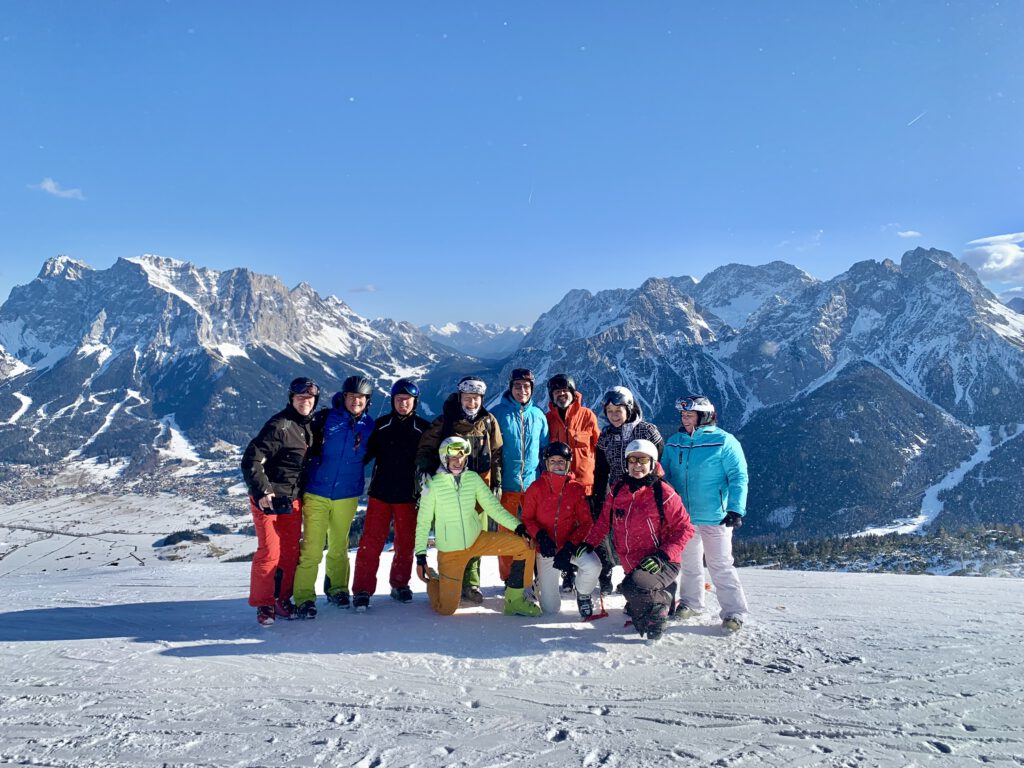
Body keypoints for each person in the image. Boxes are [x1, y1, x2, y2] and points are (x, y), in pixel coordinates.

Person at [575, 439, 694, 642]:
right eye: (632, 460)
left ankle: (659, 610)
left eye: (643, 460)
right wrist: (589, 542)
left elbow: (685, 529)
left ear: (652, 463)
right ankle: (661, 593)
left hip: (662, 562)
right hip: (632, 563)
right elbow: (604, 521)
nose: (637, 465)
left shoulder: (663, 492)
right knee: (632, 589)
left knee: (633, 589)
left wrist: (662, 556)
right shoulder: (618, 489)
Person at [414, 436, 542, 617]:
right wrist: (420, 556)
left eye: (462, 457)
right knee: (447, 609)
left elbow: (493, 508)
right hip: (451, 552)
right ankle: (435, 581)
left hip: (477, 539)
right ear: (444, 458)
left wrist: (519, 528)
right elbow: (423, 522)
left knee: (524, 545)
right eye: (453, 457)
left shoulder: (472, 479)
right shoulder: (432, 486)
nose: (458, 462)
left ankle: (515, 600)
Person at [661, 395, 750, 632]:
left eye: (690, 415)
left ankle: (734, 612)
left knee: (720, 565)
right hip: (683, 518)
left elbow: (739, 477)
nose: (685, 419)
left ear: (704, 416)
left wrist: (735, 509)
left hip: (716, 516)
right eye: (683, 415)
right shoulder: (674, 443)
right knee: (689, 564)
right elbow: (663, 476)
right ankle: (690, 603)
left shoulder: (724, 442)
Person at [415, 375, 503, 604]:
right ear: (460, 398)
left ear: (481, 399)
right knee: (449, 537)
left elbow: (496, 454)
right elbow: (426, 447)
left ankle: (471, 584)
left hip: (479, 487)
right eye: (467, 398)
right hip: (451, 489)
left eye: (476, 398)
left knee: (476, 537)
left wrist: (497, 483)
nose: (472, 403)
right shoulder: (446, 421)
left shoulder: (489, 421)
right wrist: (425, 470)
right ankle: (448, 578)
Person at [293, 375, 376, 618]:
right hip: (317, 491)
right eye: (352, 397)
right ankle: (304, 598)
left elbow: (372, 453)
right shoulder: (325, 418)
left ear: (367, 401)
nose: (356, 401)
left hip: (347, 494)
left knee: (339, 547)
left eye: (361, 398)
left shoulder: (369, 426)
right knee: (312, 549)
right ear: (344, 397)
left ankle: (338, 589)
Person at [240, 377, 317, 626]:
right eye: (300, 398)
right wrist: (263, 490)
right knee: (270, 552)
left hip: (292, 501)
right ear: (291, 399)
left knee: (290, 553)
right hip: (269, 500)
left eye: (309, 398)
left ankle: (281, 599)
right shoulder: (280, 425)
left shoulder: (309, 426)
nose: (305, 401)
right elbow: (251, 459)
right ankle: (264, 604)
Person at [350, 378, 430, 611]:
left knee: (405, 544)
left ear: (415, 402)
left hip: (409, 496)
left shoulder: (423, 429)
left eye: (407, 400)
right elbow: (364, 456)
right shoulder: (381, 425)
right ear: (393, 401)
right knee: (370, 544)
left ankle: (400, 584)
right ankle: (362, 589)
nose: (403, 404)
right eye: (398, 399)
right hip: (380, 494)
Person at [592, 386, 665, 594]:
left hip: (647, 495)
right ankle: (632, 583)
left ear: (629, 408)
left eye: (618, 410)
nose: (614, 416)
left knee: (646, 539)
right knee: (625, 541)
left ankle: (650, 585)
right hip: (621, 494)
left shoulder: (647, 430)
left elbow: (660, 463)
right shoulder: (605, 437)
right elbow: (601, 471)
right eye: (610, 411)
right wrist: (599, 498)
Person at [521, 442, 598, 617]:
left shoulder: (575, 489)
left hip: (569, 546)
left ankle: (583, 593)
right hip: (546, 549)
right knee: (551, 609)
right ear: (546, 463)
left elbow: (586, 522)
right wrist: (540, 536)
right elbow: (527, 518)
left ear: (568, 463)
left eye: (561, 461)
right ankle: (540, 583)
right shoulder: (536, 488)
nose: (557, 465)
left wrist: (570, 546)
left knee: (593, 565)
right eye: (553, 461)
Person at [491, 368, 548, 582]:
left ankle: (531, 576)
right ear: (510, 388)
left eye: (526, 386)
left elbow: (544, 449)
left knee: (534, 532)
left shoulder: (538, 416)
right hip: (507, 485)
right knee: (506, 533)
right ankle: (509, 578)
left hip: (532, 486)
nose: (521, 390)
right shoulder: (498, 413)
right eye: (517, 386)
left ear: (532, 389)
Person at [544, 373, 600, 592]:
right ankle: (568, 573)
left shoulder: (587, 416)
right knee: (564, 530)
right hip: (560, 487)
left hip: (585, 485)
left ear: (573, 392)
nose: (561, 394)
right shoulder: (547, 419)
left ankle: (599, 574)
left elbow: (598, 447)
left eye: (564, 390)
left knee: (588, 530)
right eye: (557, 392)